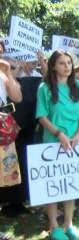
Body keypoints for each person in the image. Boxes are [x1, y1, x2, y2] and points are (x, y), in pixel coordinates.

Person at [36, 50, 79, 240]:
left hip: (77, 143)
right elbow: (42, 116)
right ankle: (54, 227)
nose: (67, 66)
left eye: (69, 62)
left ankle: (68, 224)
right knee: (53, 185)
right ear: (53, 66)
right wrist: (59, 134)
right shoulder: (44, 88)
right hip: (53, 143)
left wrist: (78, 134)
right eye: (62, 63)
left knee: (71, 184)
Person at [0, 58, 23, 218]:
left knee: (4, 175)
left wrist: (8, 72)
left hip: (3, 132)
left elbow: (17, 97)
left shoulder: (3, 73)